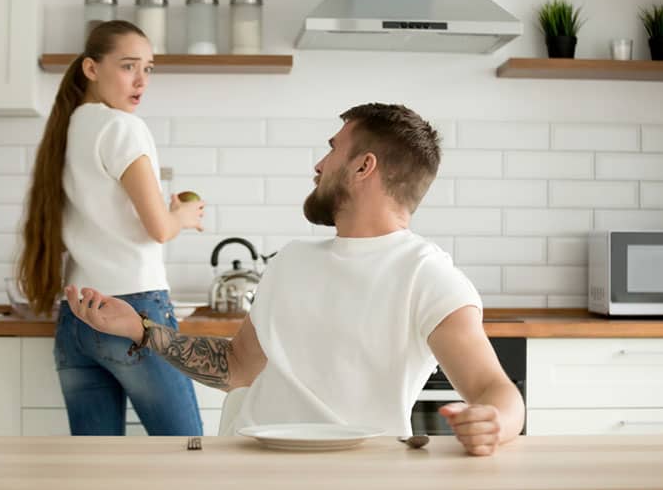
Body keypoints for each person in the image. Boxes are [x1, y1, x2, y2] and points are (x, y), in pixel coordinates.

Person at [64, 103, 526, 455]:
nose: (319, 166)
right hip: (249, 469)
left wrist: (495, 422)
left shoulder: (426, 273)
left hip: (359, 477)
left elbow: (495, 390)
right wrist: (140, 330)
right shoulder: (292, 260)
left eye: (331, 149)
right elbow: (236, 367)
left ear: (364, 166)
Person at [17, 20, 205, 436]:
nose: (141, 80)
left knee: (93, 469)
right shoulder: (123, 127)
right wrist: (184, 217)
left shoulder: (67, 131)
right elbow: (158, 227)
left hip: (77, 317)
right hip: (133, 312)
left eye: (149, 68)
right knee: (186, 453)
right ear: (90, 68)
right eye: (128, 66)